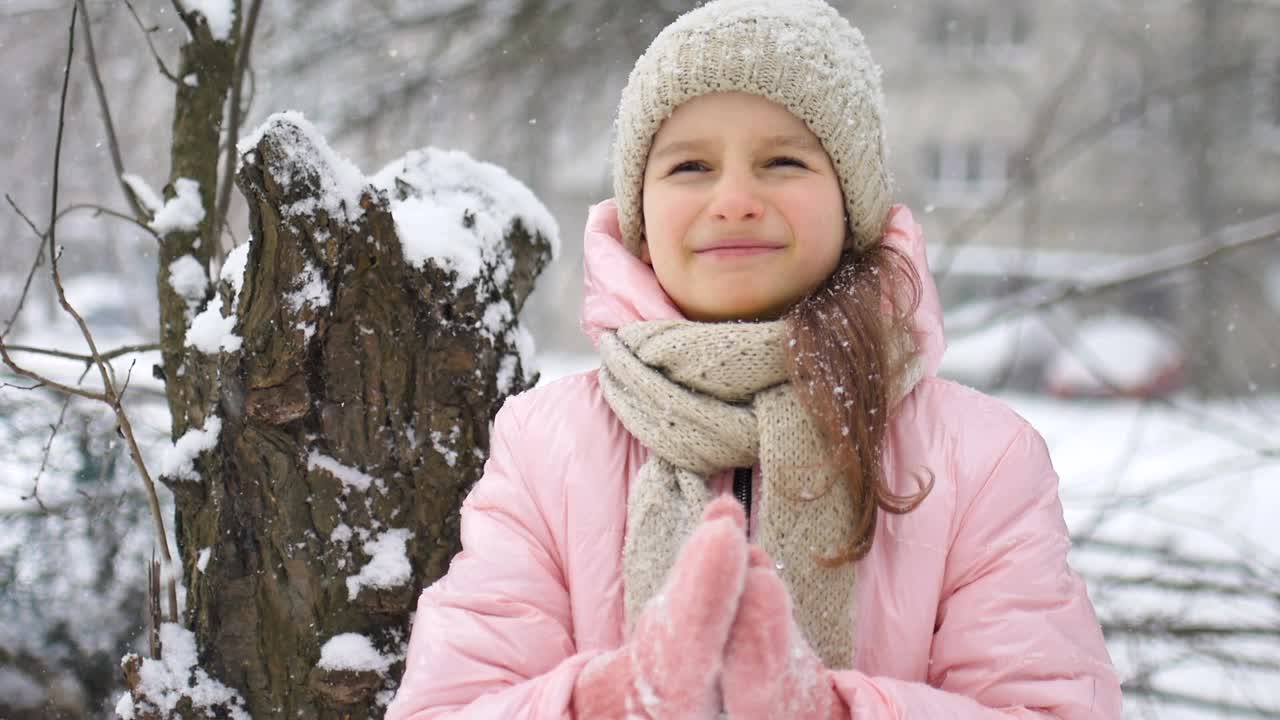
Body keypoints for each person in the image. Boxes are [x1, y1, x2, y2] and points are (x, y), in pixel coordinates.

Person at [385, 0, 1122, 717]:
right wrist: (609, 703)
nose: (735, 198)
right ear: (639, 215)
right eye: (691, 167)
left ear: (851, 204)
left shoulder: (980, 460)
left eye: (782, 161)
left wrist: (827, 712)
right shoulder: (548, 446)